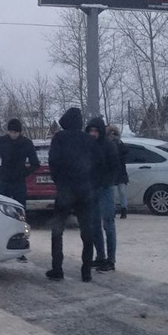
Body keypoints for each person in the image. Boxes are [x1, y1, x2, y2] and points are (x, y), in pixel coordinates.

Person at [46, 107, 101, 282]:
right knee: (87, 231)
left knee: (57, 230)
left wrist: (59, 180)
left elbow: (53, 161)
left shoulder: (59, 138)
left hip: (65, 190)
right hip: (85, 190)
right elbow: (99, 162)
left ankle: (57, 269)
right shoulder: (88, 140)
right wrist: (91, 182)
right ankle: (86, 271)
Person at [0, 118, 40, 262]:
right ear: (7, 131)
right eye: (11, 132)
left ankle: (19, 246)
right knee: (0, 214)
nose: (13, 135)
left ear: (20, 132)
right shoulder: (1, 142)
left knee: (20, 216)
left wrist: (24, 172)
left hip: (19, 183)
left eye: (15, 132)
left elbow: (35, 163)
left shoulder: (26, 143)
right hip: (4, 182)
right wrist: (1, 171)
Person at [86, 117, 121, 272]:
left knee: (108, 224)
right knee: (94, 225)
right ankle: (100, 256)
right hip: (91, 188)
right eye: (91, 131)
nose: (93, 134)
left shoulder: (108, 146)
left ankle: (110, 259)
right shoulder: (87, 146)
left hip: (105, 188)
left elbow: (115, 167)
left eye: (95, 131)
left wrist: (107, 182)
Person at [107, 123, 130, 219]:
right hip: (115, 172)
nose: (112, 136)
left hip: (118, 172)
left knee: (119, 192)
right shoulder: (109, 145)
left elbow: (125, 152)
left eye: (114, 134)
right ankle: (117, 210)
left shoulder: (119, 144)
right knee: (116, 193)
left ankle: (122, 210)